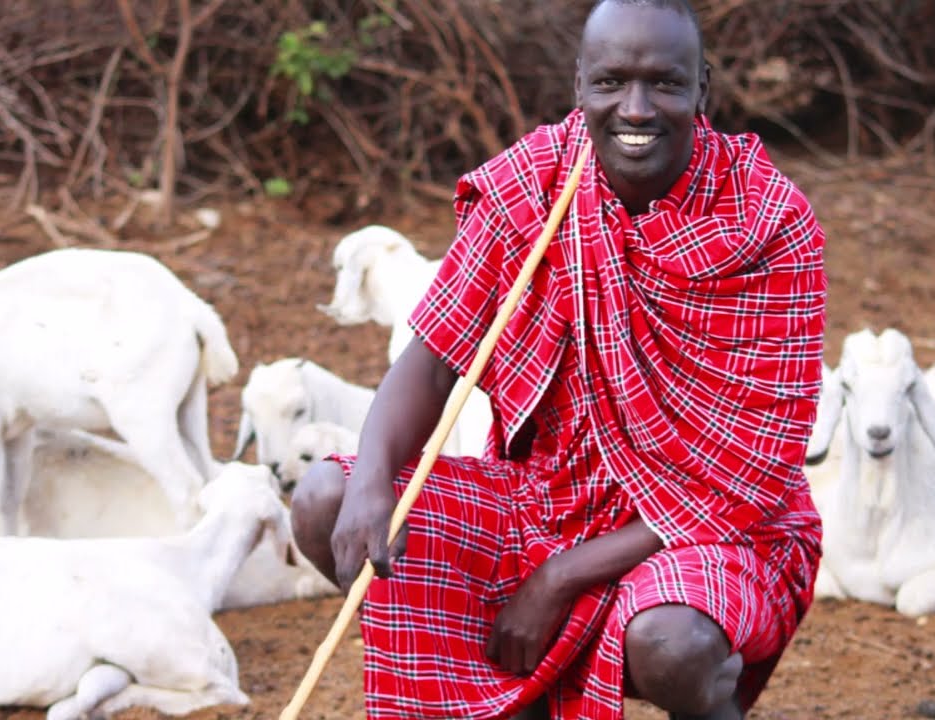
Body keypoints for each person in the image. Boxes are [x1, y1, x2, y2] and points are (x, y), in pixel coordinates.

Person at [290, 0, 826, 717]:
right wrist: (372, 482)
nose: (635, 109)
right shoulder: (536, 182)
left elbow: (746, 480)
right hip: (549, 499)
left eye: (664, 84)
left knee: (670, 641)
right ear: (579, 85)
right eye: (611, 83)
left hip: (716, 531)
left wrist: (558, 579)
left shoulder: (768, 222)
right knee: (327, 499)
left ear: (703, 90)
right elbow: (435, 356)